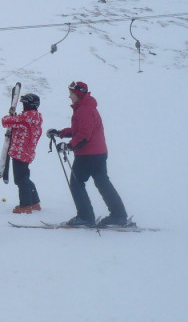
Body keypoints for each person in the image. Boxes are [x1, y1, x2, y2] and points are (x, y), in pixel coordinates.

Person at [46, 81, 128, 227]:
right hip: (98, 152)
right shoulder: (86, 108)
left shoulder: (84, 110)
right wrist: (60, 133)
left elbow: (84, 135)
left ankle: (85, 217)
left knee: (76, 183)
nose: (69, 96)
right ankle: (118, 215)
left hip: (88, 154)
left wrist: (69, 145)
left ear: (78, 94)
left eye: (71, 93)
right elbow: (78, 130)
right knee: (102, 182)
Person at [1, 92, 43, 214]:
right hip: (28, 152)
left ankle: (25, 205)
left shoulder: (26, 118)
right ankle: (34, 202)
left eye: (24, 104)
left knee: (20, 180)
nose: (23, 107)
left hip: (20, 152)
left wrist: (11, 115)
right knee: (25, 177)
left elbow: (6, 122)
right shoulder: (36, 118)